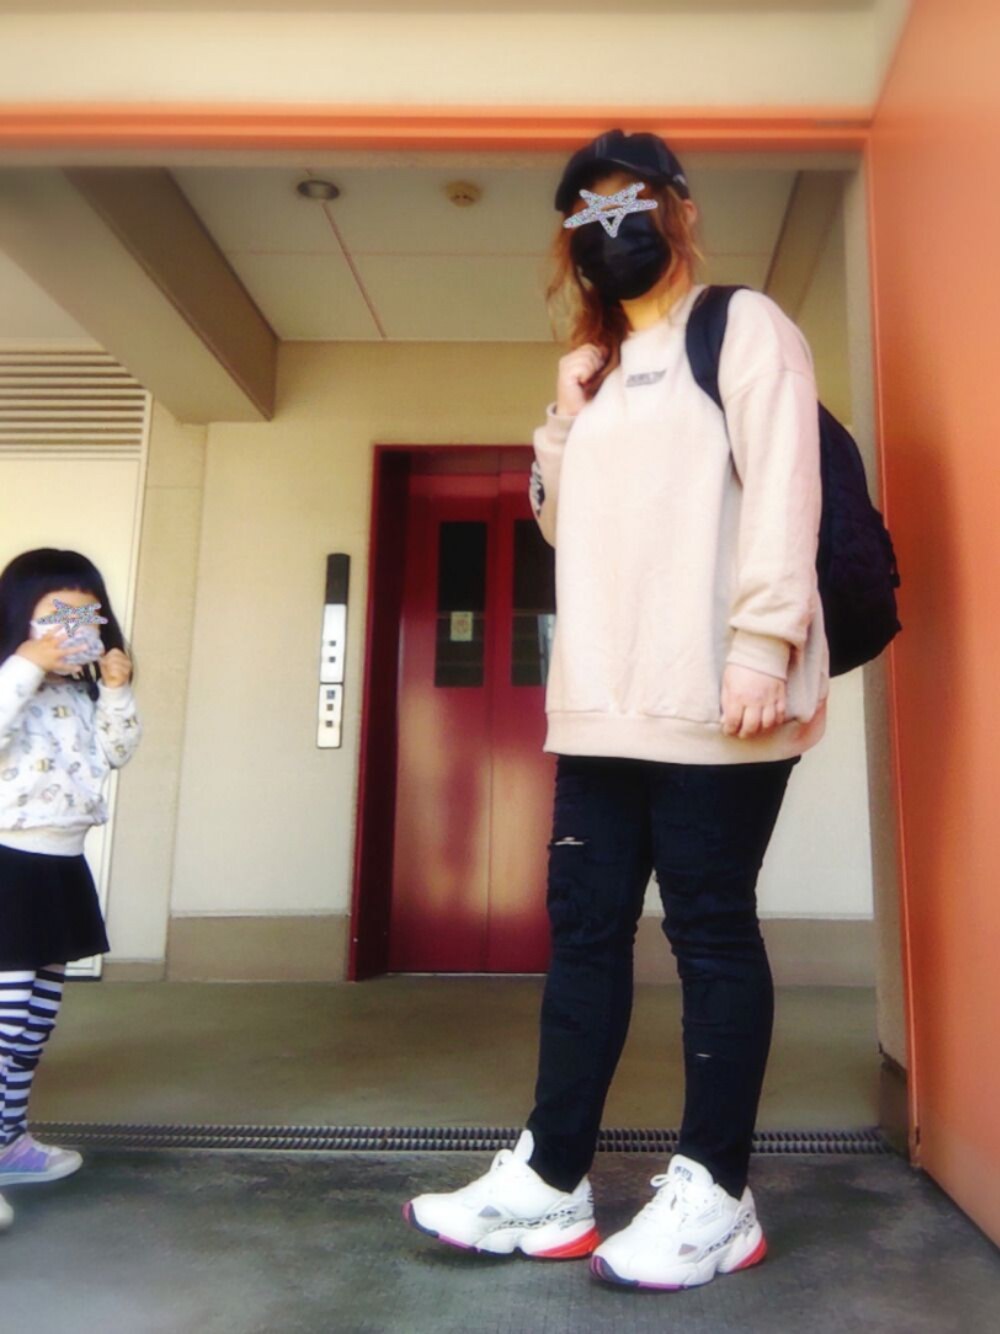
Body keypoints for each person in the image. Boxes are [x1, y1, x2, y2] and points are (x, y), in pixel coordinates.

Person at [403, 128, 828, 1291]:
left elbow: (785, 484)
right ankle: (551, 1178)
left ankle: (716, 1193)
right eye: (584, 212)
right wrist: (560, 415)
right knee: (583, 931)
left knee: (707, 927)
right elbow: (562, 524)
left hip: (717, 697)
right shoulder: (593, 370)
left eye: (626, 201)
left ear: (676, 210)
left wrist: (762, 640)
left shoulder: (741, 327)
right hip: (601, 701)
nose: (607, 226)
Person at [0, 548, 141, 1230]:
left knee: (35, 1020)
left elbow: (117, 752)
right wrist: (26, 664)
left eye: (86, 616)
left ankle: (9, 1142)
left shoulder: (81, 693)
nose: (72, 631)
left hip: (60, 864)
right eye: (55, 617)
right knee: (4, 1020)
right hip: (8, 863)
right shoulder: (11, 682)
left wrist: (114, 689)